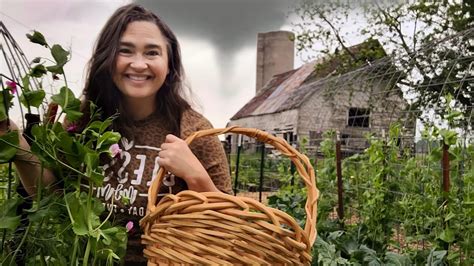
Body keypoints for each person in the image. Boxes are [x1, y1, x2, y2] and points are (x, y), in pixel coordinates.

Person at [1, 4, 232, 264]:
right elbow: (53, 197)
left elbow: (230, 228)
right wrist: (13, 141)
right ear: (108, 58)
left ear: (170, 64)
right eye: (125, 51)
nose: (139, 63)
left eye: (152, 52)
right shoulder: (84, 119)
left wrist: (195, 176)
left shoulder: (195, 131)